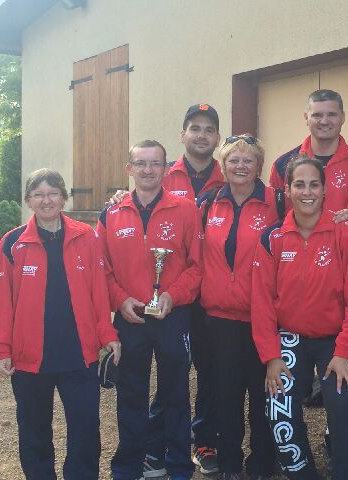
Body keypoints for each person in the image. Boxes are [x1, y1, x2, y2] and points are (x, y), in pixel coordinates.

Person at [0, 168, 120, 480]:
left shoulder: (87, 237)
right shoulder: (12, 244)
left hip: (79, 354)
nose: (46, 200)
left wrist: (107, 333)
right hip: (30, 358)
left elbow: (98, 293)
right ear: (29, 200)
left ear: (63, 197)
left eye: (52, 193)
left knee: (86, 430)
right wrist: (0, 349)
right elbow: (0, 302)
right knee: (34, 433)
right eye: (38, 194)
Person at [252, 156, 348, 480]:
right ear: (287, 190)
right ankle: (303, 473)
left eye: (314, 184)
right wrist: (272, 357)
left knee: (343, 405)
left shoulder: (344, 231)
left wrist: (344, 352)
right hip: (290, 337)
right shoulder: (272, 237)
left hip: (336, 340)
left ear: (325, 189)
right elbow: (261, 304)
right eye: (299, 184)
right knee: (279, 405)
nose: (307, 192)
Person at [97, 140, 203, 480]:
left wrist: (173, 295)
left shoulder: (186, 209)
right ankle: (128, 467)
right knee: (131, 395)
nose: (147, 170)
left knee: (175, 394)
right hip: (130, 318)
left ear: (165, 168)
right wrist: (119, 300)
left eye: (155, 164)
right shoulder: (111, 213)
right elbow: (103, 268)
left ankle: (178, 467)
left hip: (172, 316)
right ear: (129, 169)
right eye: (140, 163)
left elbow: (197, 267)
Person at [143, 103, 225, 478]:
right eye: (195, 128)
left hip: (214, 296)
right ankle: (156, 444)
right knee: (172, 373)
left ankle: (204, 440)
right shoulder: (163, 175)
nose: (202, 135)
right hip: (173, 294)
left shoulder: (230, 179)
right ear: (183, 135)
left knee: (209, 370)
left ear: (217, 138)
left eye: (209, 129)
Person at [197, 134, 279, 480]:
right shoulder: (208, 203)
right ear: (223, 165)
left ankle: (262, 464)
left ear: (259, 165)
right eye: (233, 160)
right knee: (226, 398)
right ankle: (229, 463)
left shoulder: (278, 202)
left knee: (264, 399)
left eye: (248, 160)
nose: (240, 166)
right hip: (219, 322)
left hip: (263, 320)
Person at [269, 88, 348, 212]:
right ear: (306, 118)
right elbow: (275, 217)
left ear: (343, 117)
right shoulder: (282, 165)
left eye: (332, 114)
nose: (324, 121)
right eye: (317, 115)